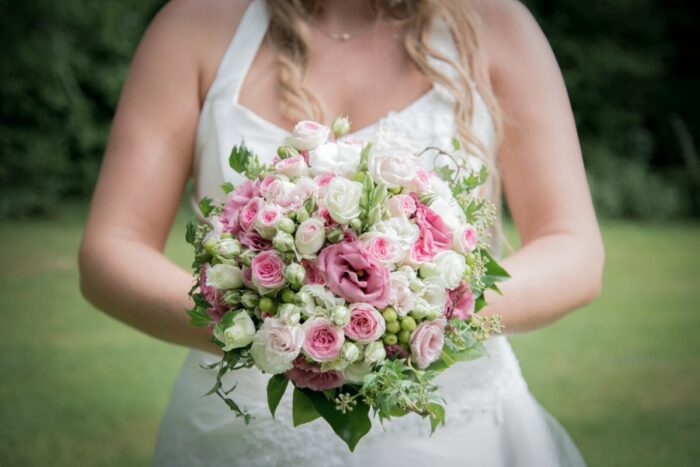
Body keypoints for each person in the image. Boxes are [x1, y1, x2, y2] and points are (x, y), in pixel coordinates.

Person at [78, 0, 605, 465]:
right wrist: (270, 332)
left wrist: (423, 321)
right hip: (236, 440)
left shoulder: (496, 23)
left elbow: (572, 247)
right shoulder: (195, 23)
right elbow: (112, 248)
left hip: (452, 440)